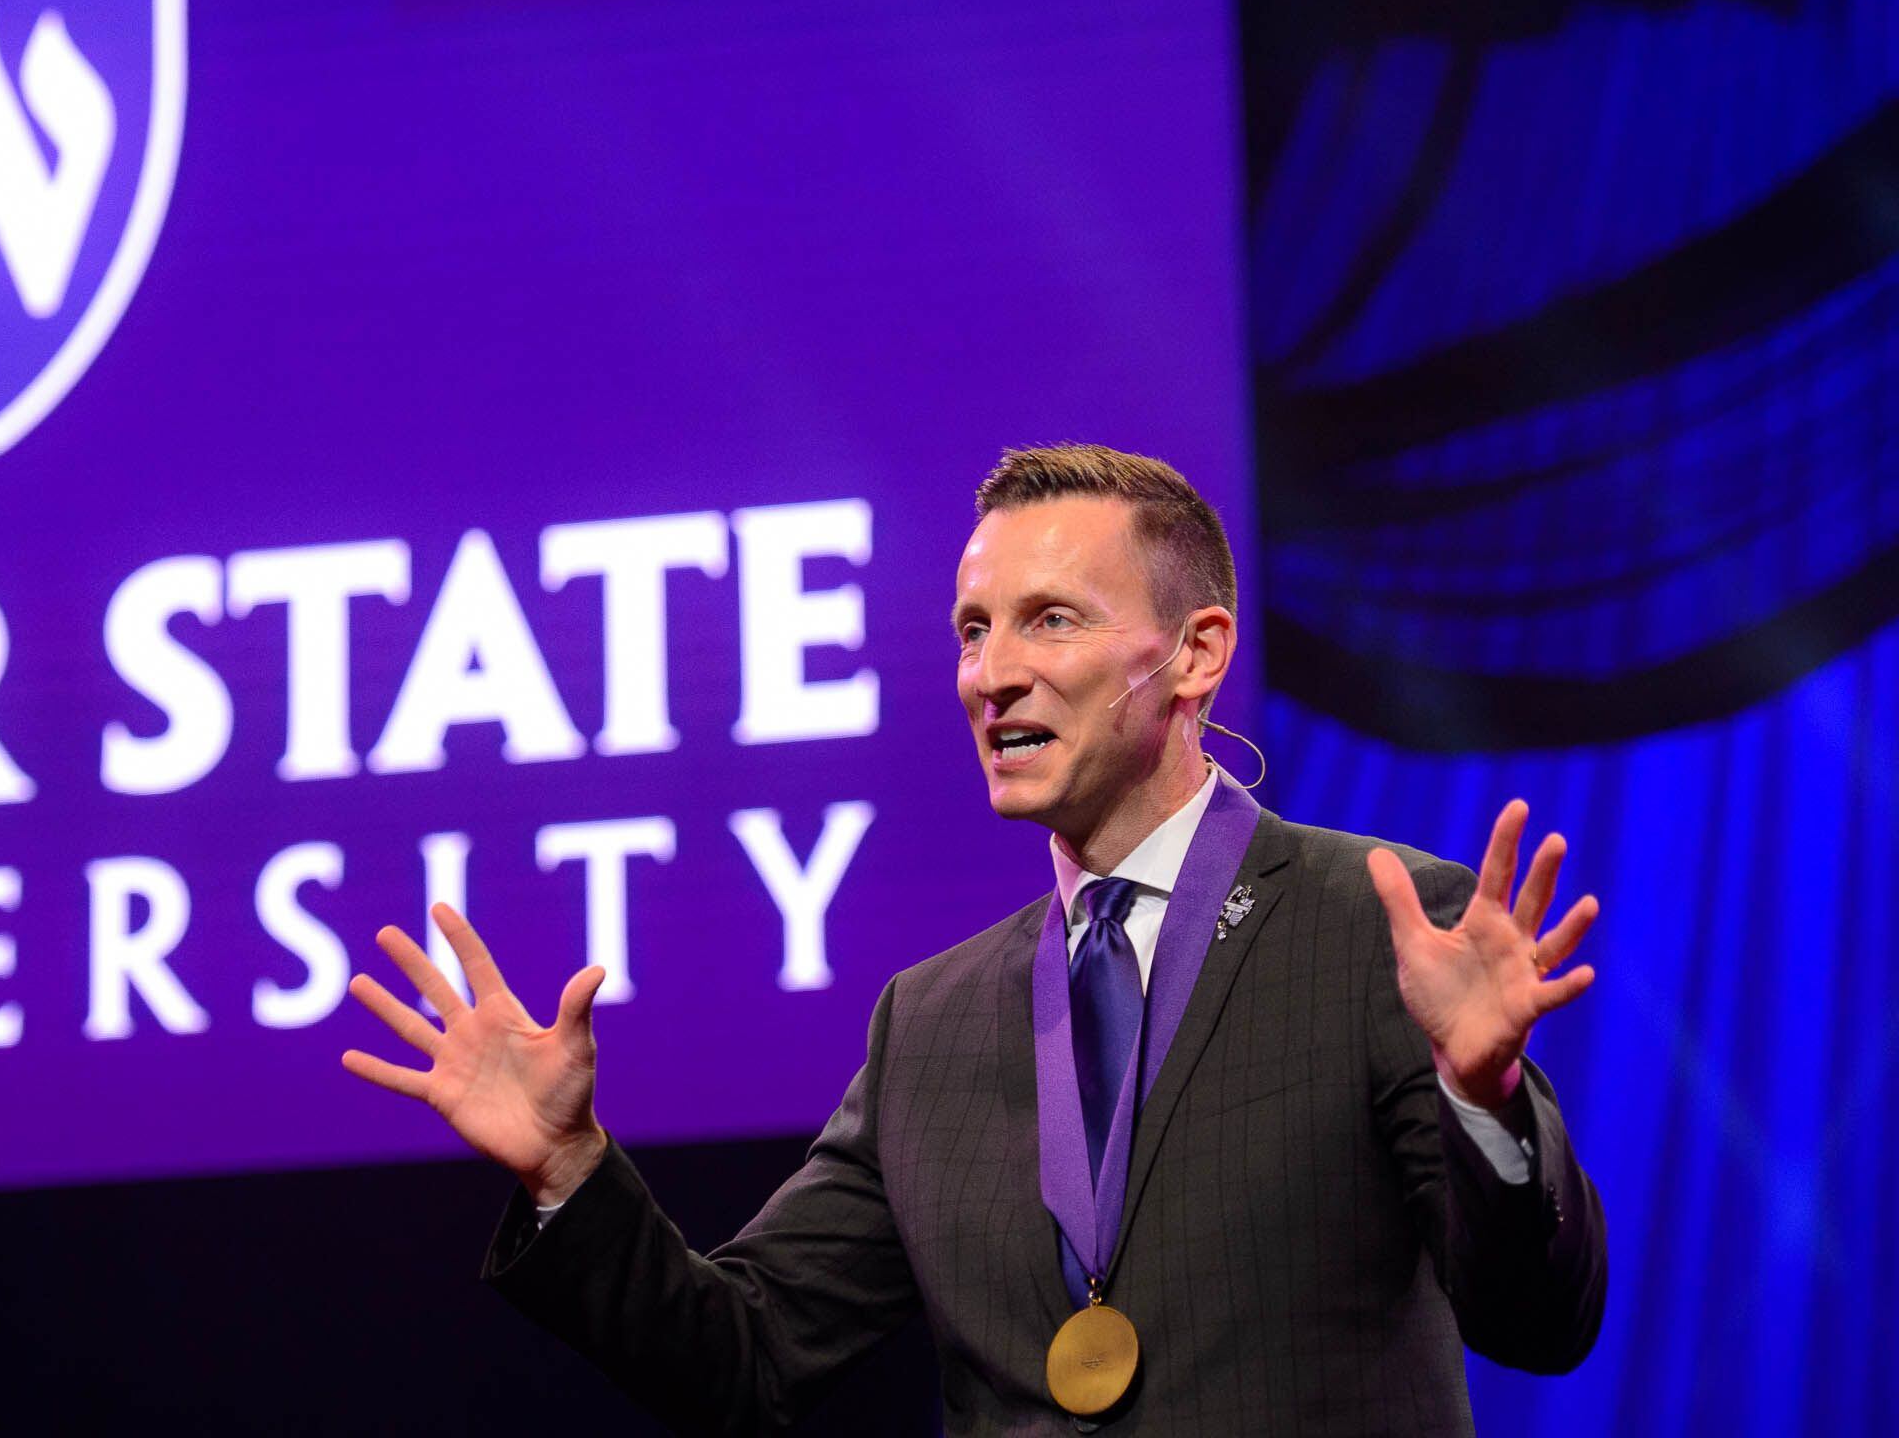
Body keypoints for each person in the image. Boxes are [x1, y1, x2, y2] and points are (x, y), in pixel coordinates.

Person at [340, 444, 1604, 1435]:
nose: (989, 673)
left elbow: (1538, 1320)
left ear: (1195, 655)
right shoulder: (929, 1022)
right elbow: (744, 1361)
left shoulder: (1372, 928)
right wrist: (567, 1170)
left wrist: (1480, 1097)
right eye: (972, 627)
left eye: (1050, 620)